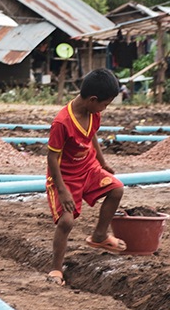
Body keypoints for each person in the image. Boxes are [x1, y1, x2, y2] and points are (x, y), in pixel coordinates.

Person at [46, 68, 126, 287]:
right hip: (65, 177)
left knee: (116, 189)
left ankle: (99, 236)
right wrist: (62, 190)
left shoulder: (93, 113)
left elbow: (92, 136)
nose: (105, 108)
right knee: (66, 221)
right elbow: (52, 158)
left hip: (88, 167)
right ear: (92, 99)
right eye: (105, 104)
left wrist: (102, 162)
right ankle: (56, 269)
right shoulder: (62, 123)